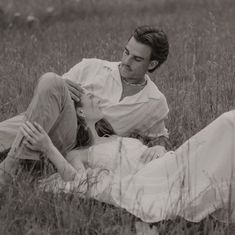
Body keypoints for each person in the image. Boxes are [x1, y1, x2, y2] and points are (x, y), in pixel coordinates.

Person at [20, 88, 235, 224]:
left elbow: (152, 150)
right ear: (81, 113)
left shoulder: (119, 137)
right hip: (152, 179)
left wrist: (158, 149)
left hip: (169, 162)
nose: (97, 98)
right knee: (227, 123)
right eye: (90, 97)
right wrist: (48, 148)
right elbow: (76, 181)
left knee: (226, 132)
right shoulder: (80, 153)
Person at [0, 25, 169, 184]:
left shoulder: (154, 101)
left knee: (50, 83)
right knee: (50, 84)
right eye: (126, 52)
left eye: (136, 59)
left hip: (76, 148)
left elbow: (159, 135)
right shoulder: (92, 67)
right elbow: (45, 100)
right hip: (48, 120)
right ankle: (19, 157)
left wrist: (160, 147)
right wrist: (62, 85)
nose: (126, 61)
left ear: (152, 64)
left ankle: (11, 166)